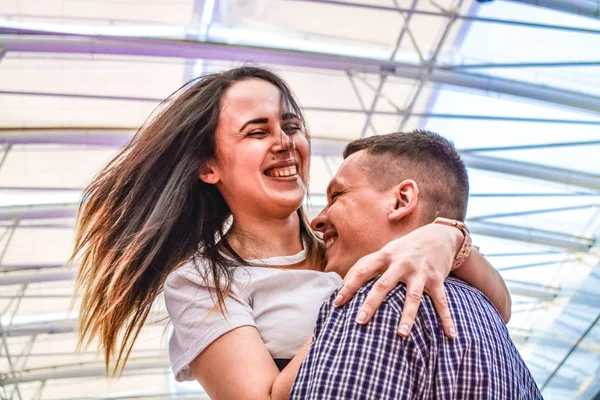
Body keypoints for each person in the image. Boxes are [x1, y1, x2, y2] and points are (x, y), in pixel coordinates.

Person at [72, 66, 510, 400]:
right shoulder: (203, 282)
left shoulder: (354, 245)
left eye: (291, 126)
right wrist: (348, 309)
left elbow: (500, 308)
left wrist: (445, 237)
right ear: (209, 166)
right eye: (257, 131)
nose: (284, 141)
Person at [291, 131, 542, 399]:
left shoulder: (378, 300)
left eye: (337, 195)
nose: (318, 220)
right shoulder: (489, 323)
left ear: (401, 200)